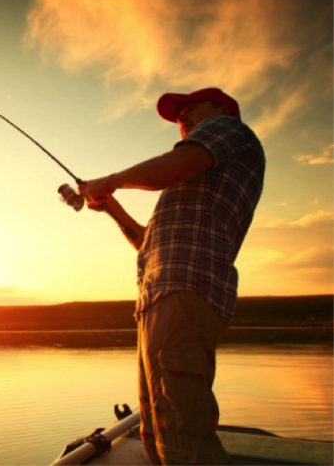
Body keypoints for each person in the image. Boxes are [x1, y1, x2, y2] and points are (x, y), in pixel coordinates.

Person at [79, 87, 265, 466]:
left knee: (184, 442)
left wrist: (109, 180)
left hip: (184, 295)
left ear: (223, 108)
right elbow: (149, 245)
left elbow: (173, 168)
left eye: (192, 107)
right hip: (162, 301)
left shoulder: (228, 129)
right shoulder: (199, 174)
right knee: (156, 434)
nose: (183, 116)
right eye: (179, 114)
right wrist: (110, 205)